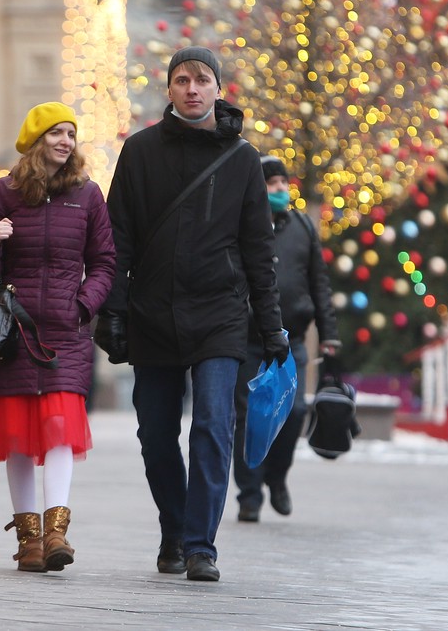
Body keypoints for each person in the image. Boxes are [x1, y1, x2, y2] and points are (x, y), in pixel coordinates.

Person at [100, 45, 289, 583]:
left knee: (211, 423)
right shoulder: (139, 152)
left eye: (202, 79)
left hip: (220, 314)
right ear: (169, 90)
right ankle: (173, 530)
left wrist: (271, 326)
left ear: (218, 89)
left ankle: (201, 545)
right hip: (153, 312)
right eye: (181, 79)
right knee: (156, 434)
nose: (191, 88)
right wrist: (113, 313)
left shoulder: (244, 159)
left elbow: (258, 250)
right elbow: (118, 240)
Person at [0, 101, 116, 573]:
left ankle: (56, 534)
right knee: (16, 436)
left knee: (59, 430)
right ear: (36, 140)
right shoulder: (5, 192)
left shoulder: (88, 195)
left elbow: (105, 262)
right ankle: (29, 541)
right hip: (11, 332)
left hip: (63, 332)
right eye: (56, 132)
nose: (66, 141)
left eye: (71, 134)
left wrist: (83, 305)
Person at [232, 155, 341, 523]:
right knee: (250, 417)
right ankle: (249, 494)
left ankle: (276, 477)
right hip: (247, 340)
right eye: (271, 183)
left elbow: (319, 282)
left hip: (292, 340)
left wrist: (329, 334)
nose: (280, 189)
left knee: (293, 412)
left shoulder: (303, 227)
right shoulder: (241, 225)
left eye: (283, 182)